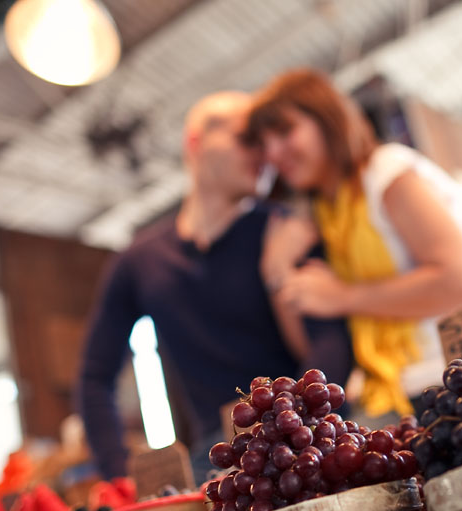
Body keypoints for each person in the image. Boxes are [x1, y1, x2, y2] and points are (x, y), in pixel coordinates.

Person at [77, 91, 353, 482]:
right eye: (248, 140)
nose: (267, 154)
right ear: (195, 143)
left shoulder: (286, 232)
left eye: (269, 143)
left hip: (306, 448)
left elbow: (331, 342)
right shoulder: (139, 260)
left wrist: (290, 428)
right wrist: (119, 474)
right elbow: (95, 376)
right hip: (218, 462)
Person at [245, 69, 462, 420]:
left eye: (285, 131)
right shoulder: (325, 214)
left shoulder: (387, 172)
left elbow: (460, 282)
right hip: (402, 394)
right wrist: (275, 270)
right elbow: (306, 346)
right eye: (264, 144)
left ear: (327, 119)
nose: (273, 153)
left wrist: (343, 297)